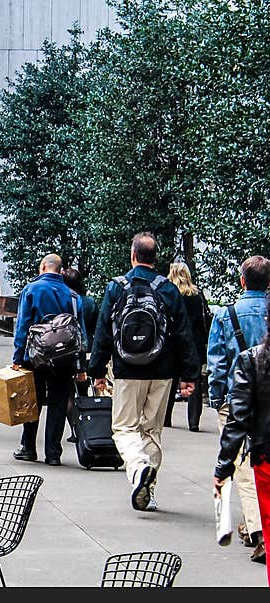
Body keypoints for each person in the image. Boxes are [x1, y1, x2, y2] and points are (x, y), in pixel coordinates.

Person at [88, 232, 200, 512]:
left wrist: (97, 370)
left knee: (124, 427)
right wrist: (189, 375)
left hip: (126, 370)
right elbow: (184, 335)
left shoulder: (117, 287)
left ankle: (138, 469)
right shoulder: (168, 289)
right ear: (155, 257)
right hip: (163, 372)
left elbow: (103, 332)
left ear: (133, 254)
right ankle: (148, 490)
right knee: (152, 430)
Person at [207, 255, 270, 563]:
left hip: (239, 396)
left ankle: (259, 533)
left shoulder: (225, 314)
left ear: (242, 280)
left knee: (246, 469)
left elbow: (217, 361)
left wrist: (216, 397)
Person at [11, 254, 87, 466]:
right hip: (64, 357)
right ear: (60, 271)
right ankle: (53, 453)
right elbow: (80, 334)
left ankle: (28, 447)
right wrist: (81, 365)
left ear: (43, 266)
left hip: (35, 357)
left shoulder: (31, 290)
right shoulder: (72, 296)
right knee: (58, 404)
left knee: (31, 402)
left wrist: (18, 357)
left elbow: (23, 327)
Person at [163, 262, 210, 431]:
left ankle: (166, 417)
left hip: (173, 343)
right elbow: (204, 320)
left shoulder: (169, 294)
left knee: (170, 380)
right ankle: (194, 422)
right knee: (194, 381)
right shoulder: (197, 294)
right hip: (194, 344)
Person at [62, 267, 99, 444]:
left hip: (70, 350)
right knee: (84, 392)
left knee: (69, 394)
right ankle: (88, 428)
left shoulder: (66, 300)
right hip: (89, 349)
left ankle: (75, 430)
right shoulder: (90, 302)